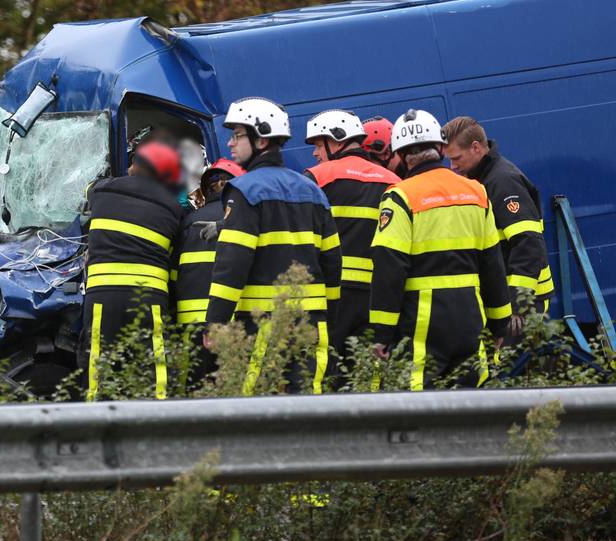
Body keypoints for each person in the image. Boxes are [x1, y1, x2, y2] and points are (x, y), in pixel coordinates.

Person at [205, 97, 341, 394]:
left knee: (260, 409)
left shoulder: (244, 191)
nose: (230, 144)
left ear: (262, 139)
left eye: (237, 135)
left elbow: (232, 263)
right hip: (311, 326)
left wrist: (215, 321)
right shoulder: (313, 191)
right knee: (310, 406)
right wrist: (327, 316)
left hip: (262, 325)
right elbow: (332, 261)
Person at [369, 110, 511, 390]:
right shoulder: (476, 192)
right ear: (440, 147)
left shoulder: (399, 197)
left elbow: (389, 268)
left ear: (401, 154)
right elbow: (492, 265)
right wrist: (501, 326)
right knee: (472, 399)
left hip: (423, 323)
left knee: (421, 403)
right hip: (470, 318)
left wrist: (381, 335)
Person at [82, 140, 184, 401]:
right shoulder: (173, 208)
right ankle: (160, 416)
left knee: (97, 362)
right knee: (155, 363)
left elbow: (87, 193)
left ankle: (94, 419)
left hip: (102, 295)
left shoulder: (102, 191)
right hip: (149, 297)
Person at [304, 110, 400, 361]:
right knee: (370, 374)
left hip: (332, 294)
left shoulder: (317, 177)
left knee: (328, 368)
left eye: (317, 145)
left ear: (336, 140)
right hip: (377, 296)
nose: (315, 153)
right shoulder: (393, 181)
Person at [442, 116, 553, 332]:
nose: (452, 166)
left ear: (476, 148)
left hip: (522, 301)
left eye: (456, 158)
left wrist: (516, 303)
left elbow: (528, 243)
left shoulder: (502, 182)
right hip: (506, 299)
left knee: (513, 363)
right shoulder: (483, 178)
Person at [171, 158, 244, 385]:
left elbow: (173, 274)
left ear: (206, 189)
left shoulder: (188, 222)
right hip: (235, 321)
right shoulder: (245, 221)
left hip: (192, 323)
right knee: (237, 387)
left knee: (194, 389)